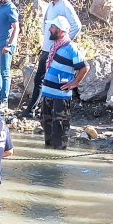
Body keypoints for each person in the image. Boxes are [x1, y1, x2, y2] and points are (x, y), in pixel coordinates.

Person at [21, 0, 82, 117]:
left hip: (56, 50)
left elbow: (77, 26)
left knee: (47, 80)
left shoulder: (65, 5)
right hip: (47, 48)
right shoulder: (51, 5)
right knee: (40, 79)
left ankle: (36, 109)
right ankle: (35, 109)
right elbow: (46, 24)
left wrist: (64, 43)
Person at [38, 16, 90, 150]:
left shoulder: (71, 48)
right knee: (47, 130)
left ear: (61, 31)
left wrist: (75, 83)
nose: (50, 30)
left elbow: (85, 67)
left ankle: (57, 163)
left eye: (53, 27)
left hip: (60, 97)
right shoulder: (55, 46)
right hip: (47, 94)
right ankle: (48, 160)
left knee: (59, 132)